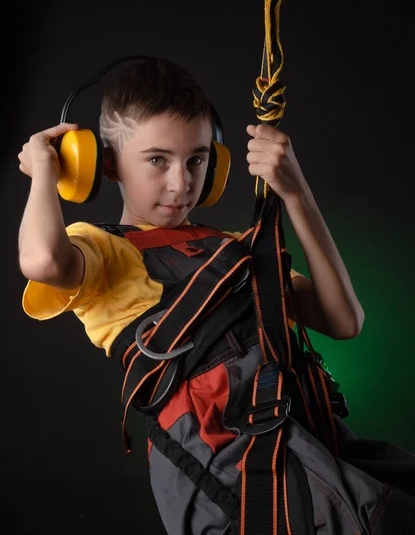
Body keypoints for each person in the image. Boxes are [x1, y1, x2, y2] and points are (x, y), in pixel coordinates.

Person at [17, 57, 367, 533]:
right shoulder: (102, 251)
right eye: (157, 160)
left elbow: (343, 320)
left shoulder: (232, 249)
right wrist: (44, 172)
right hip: (225, 478)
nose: (182, 183)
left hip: (309, 446)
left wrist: (295, 193)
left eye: (197, 159)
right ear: (107, 163)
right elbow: (42, 262)